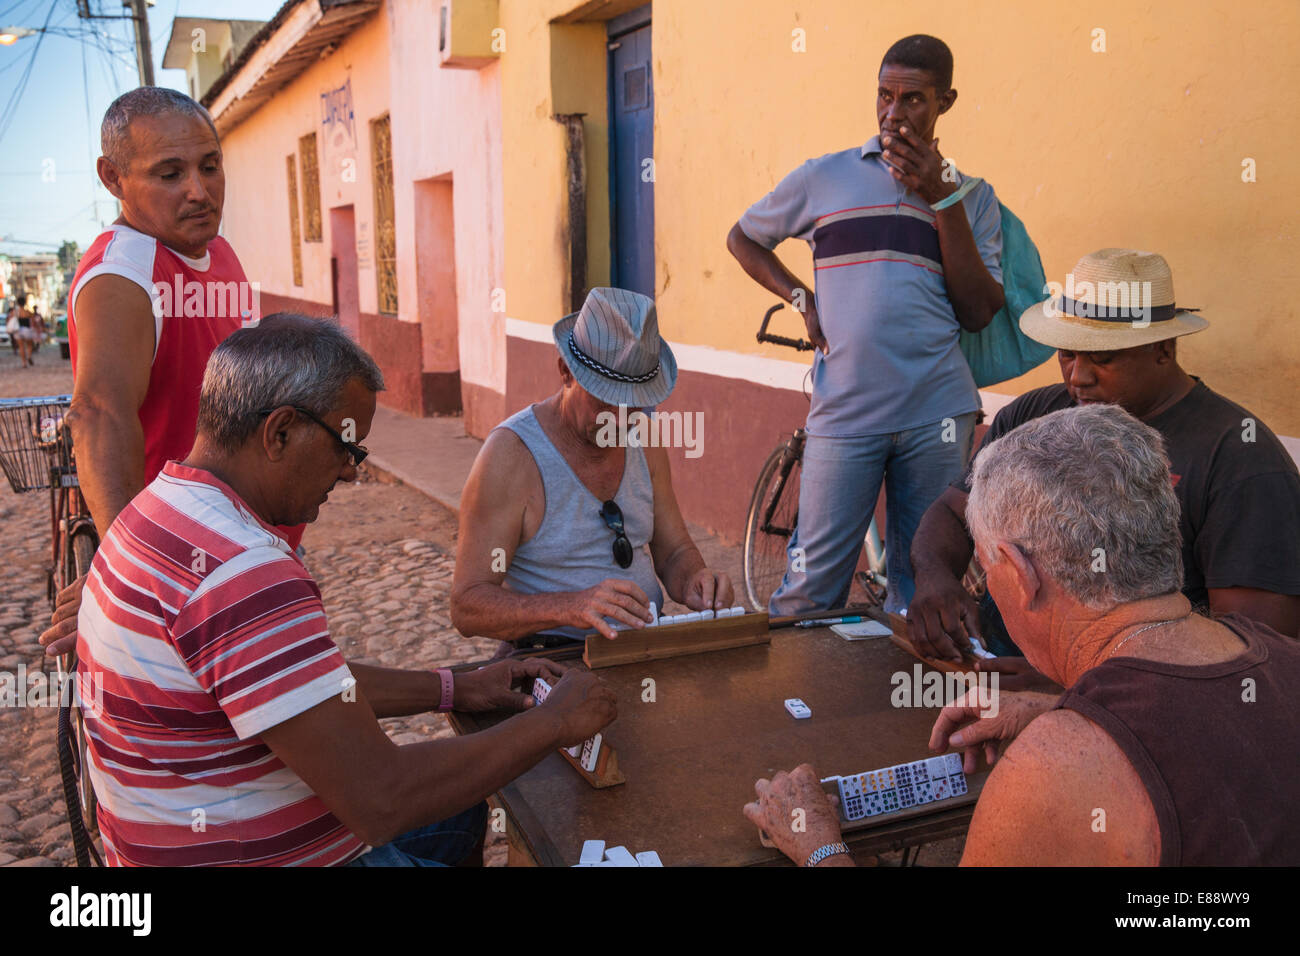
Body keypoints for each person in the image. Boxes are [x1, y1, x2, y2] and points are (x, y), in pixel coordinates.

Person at [75, 316, 617, 866]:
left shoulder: (156, 509)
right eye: (348, 447)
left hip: (158, 846)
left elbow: (304, 687)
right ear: (279, 431)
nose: (351, 474)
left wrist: (458, 687)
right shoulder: (243, 572)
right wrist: (554, 723)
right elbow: (383, 800)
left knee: (461, 810)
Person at [745, 404, 1300, 865]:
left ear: (1018, 572)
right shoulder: (1274, 654)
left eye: (985, 570)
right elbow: (1199, 724)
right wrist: (1068, 707)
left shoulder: (1054, 768)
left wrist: (818, 844)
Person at [908, 248, 1300, 676]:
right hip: (1000, 661)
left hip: (1147, 688)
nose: (1078, 377)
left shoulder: (1241, 457)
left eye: (1103, 358)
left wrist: (1067, 685)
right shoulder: (1034, 414)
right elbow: (952, 510)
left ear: (1163, 350)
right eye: (1068, 354)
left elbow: (1253, 645)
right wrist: (934, 578)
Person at [726, 34, 1003, 617]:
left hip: (937, 415)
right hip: (844, 411)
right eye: (884, 96)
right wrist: (800, 296)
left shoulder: (974, 197)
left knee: (925, 589)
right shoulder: (825, 178)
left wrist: (941, 197)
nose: (893, 113)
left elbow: (978, 310)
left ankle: (909, 707)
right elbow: (744, 236)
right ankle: (795, 706)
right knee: (808, 592)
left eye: (913, 100)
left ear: (945, 102)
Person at [40, 86, 286, 660]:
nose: (199, 192)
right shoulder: (123, 272)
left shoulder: (219, 252)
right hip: (183, 568)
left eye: (210, 166)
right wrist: (130, 573)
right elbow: (98, 413)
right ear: (113, 177)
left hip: (245, 543)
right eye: (169, 173)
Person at [451, 287, 735, 649]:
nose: (619, 421)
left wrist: (697, 580)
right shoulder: (511, 456)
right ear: (565, 373)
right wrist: (570, 607)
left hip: (641, 648)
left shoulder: (643, 437)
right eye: (606, 402)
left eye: (634, 406)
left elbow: (674, 550)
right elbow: (467, 605)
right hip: (552, 655)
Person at [8, 294, 38, 367]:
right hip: (27, 330)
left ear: (18, 303)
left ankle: (24, 363)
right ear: (24, 302)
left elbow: (9, 319)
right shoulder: (27, 311)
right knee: (29, 345)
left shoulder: (14, 312)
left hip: (18, 331)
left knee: (21, 347)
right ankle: (29, 356)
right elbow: (34, 321)